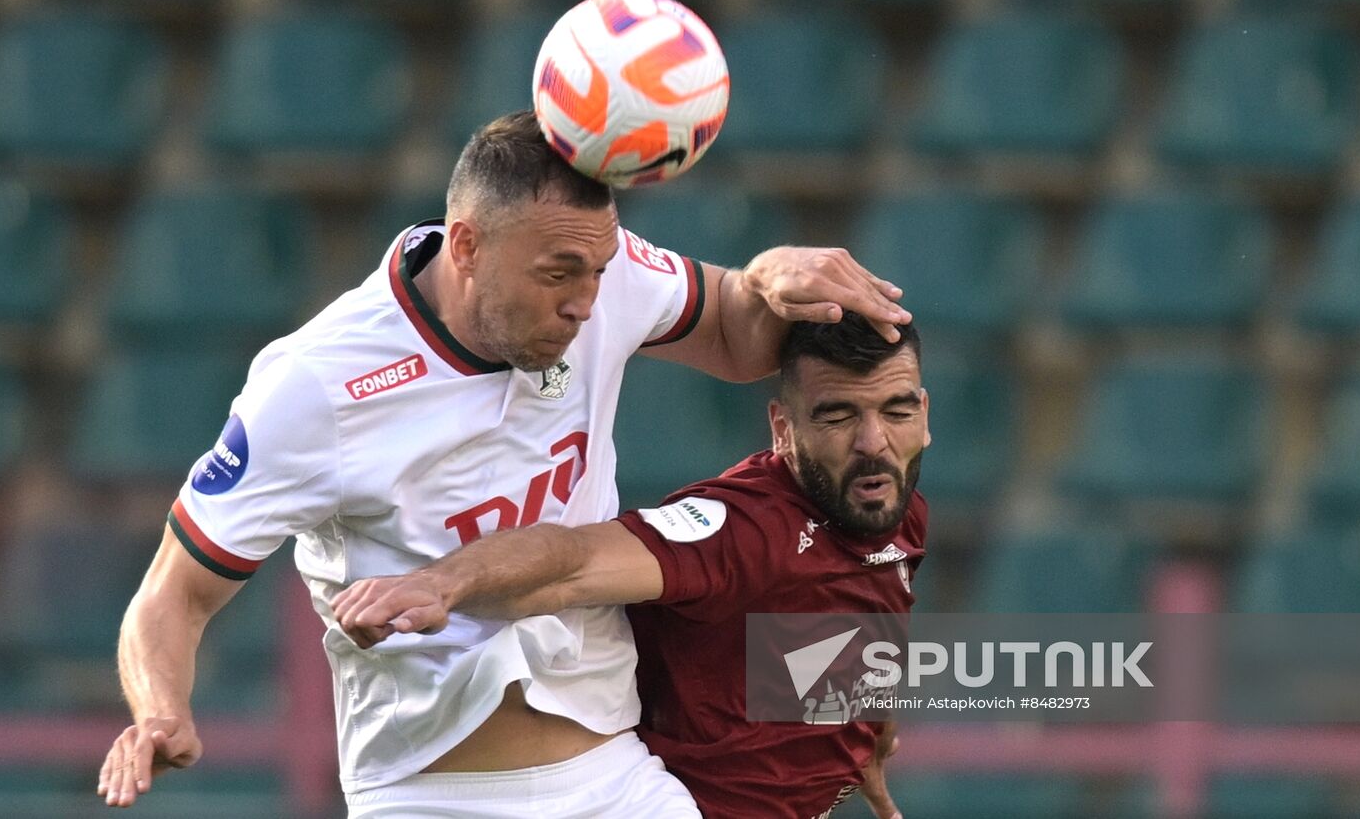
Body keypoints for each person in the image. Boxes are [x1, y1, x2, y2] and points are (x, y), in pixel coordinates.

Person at [97, 110, 910, 817]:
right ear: (467, 244)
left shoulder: (605, 270)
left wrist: (767, 275)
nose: (587, 303)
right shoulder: (316, 385)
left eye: (596, 272)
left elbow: (738, 331)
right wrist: (160, 708)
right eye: (559, 276)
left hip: (616, 779)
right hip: (430, 794)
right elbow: (173, 594)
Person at [332, 313, 929, 819]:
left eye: (896, 412)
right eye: (838, 416)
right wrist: (444, 582)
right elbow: (575, 560)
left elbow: (837, 614)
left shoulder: (893, 508)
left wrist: (863, 730)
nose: (873, 440)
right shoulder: (740, 530)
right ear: (782, 428)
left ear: (924, 417)